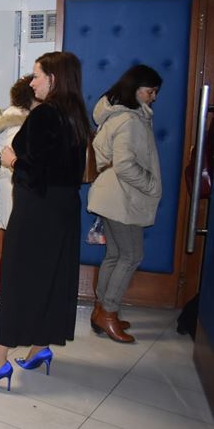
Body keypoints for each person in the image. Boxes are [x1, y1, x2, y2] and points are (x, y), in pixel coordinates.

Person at [0, 51, 89, 391]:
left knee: (18, 283)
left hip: (36, 210)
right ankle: (40, 348)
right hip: (64, 210)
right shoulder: (76, 115)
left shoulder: (45, 115)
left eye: (36, 75)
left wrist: (12, 160)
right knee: (52, 279)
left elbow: (34, 175)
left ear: (53, 78)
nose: (31, 82)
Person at [88, 64, 162, 343]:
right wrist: (152, 185)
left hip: (113, 195)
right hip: (121, 197)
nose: (153, 97)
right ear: (135, 89)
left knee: (115, 255)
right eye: (150, 91)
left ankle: (101, 311)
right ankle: (108, 312)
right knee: (131, 256)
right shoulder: (130, 120)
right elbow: (125, 165)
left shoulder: (119, 115)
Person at [0, 75, 38, 307]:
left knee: (12, 244)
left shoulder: (8, 118)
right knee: (16, 246)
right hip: (16, 186)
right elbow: (20, 158)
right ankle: (2, 291)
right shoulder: (22, 121)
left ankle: (2, 290)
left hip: (10, 187)